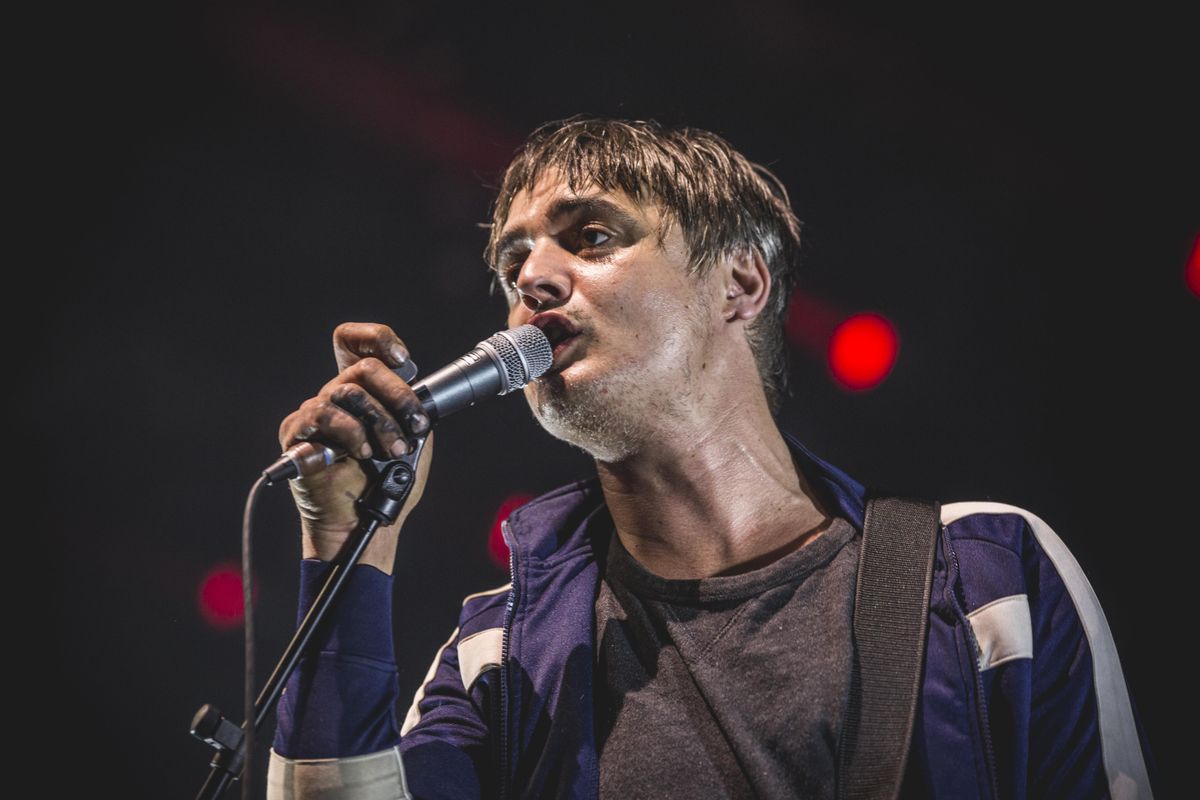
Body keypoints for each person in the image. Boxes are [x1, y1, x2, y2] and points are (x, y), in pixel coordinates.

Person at [265, 117, 1157, 799]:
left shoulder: (989, 577)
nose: (531, 277)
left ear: (740, 284)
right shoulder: (495, 652)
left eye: (592, 237)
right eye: (513, 263)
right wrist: (346, 549)